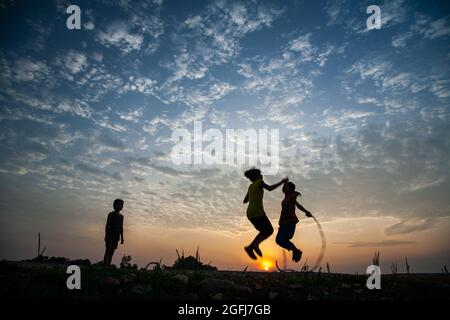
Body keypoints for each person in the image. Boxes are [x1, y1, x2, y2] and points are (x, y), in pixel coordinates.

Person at [243, 168, 288, 260]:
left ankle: (253, 246)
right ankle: (252, 246)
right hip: (257, 211)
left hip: (250, 213)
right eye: (260, 174)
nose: (262, 176)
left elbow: (245, 201)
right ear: (257, 176)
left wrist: (253, 195)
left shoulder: (251, 186)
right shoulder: (259, 182)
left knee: (264, 231)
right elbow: (270, 188)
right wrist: (282, 181)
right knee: (269, 230)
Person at [275, 182, 312, 262]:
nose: (284, 187)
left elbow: (298, 205)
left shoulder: (292, 196)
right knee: (278, 240)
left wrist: (306, 211)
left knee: (284, 239)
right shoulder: (285, 198)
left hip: (290, 221)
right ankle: (296, 251)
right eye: (283, 186)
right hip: (283, 222)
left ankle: (296, 251)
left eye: (286, 186)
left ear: (290, 189)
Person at [103, 199, 124, 266]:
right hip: (110, 235)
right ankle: (105, 265)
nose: (121, 206)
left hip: (116, 236)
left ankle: (108, 265)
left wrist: (122, 237)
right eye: (119, 204)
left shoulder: (121, 216)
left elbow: (121, 227)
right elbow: (107, 225)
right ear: (115, 205)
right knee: (108, 251)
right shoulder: (111, 214)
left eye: (122, 205)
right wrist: (106, 235)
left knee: (112, 252)